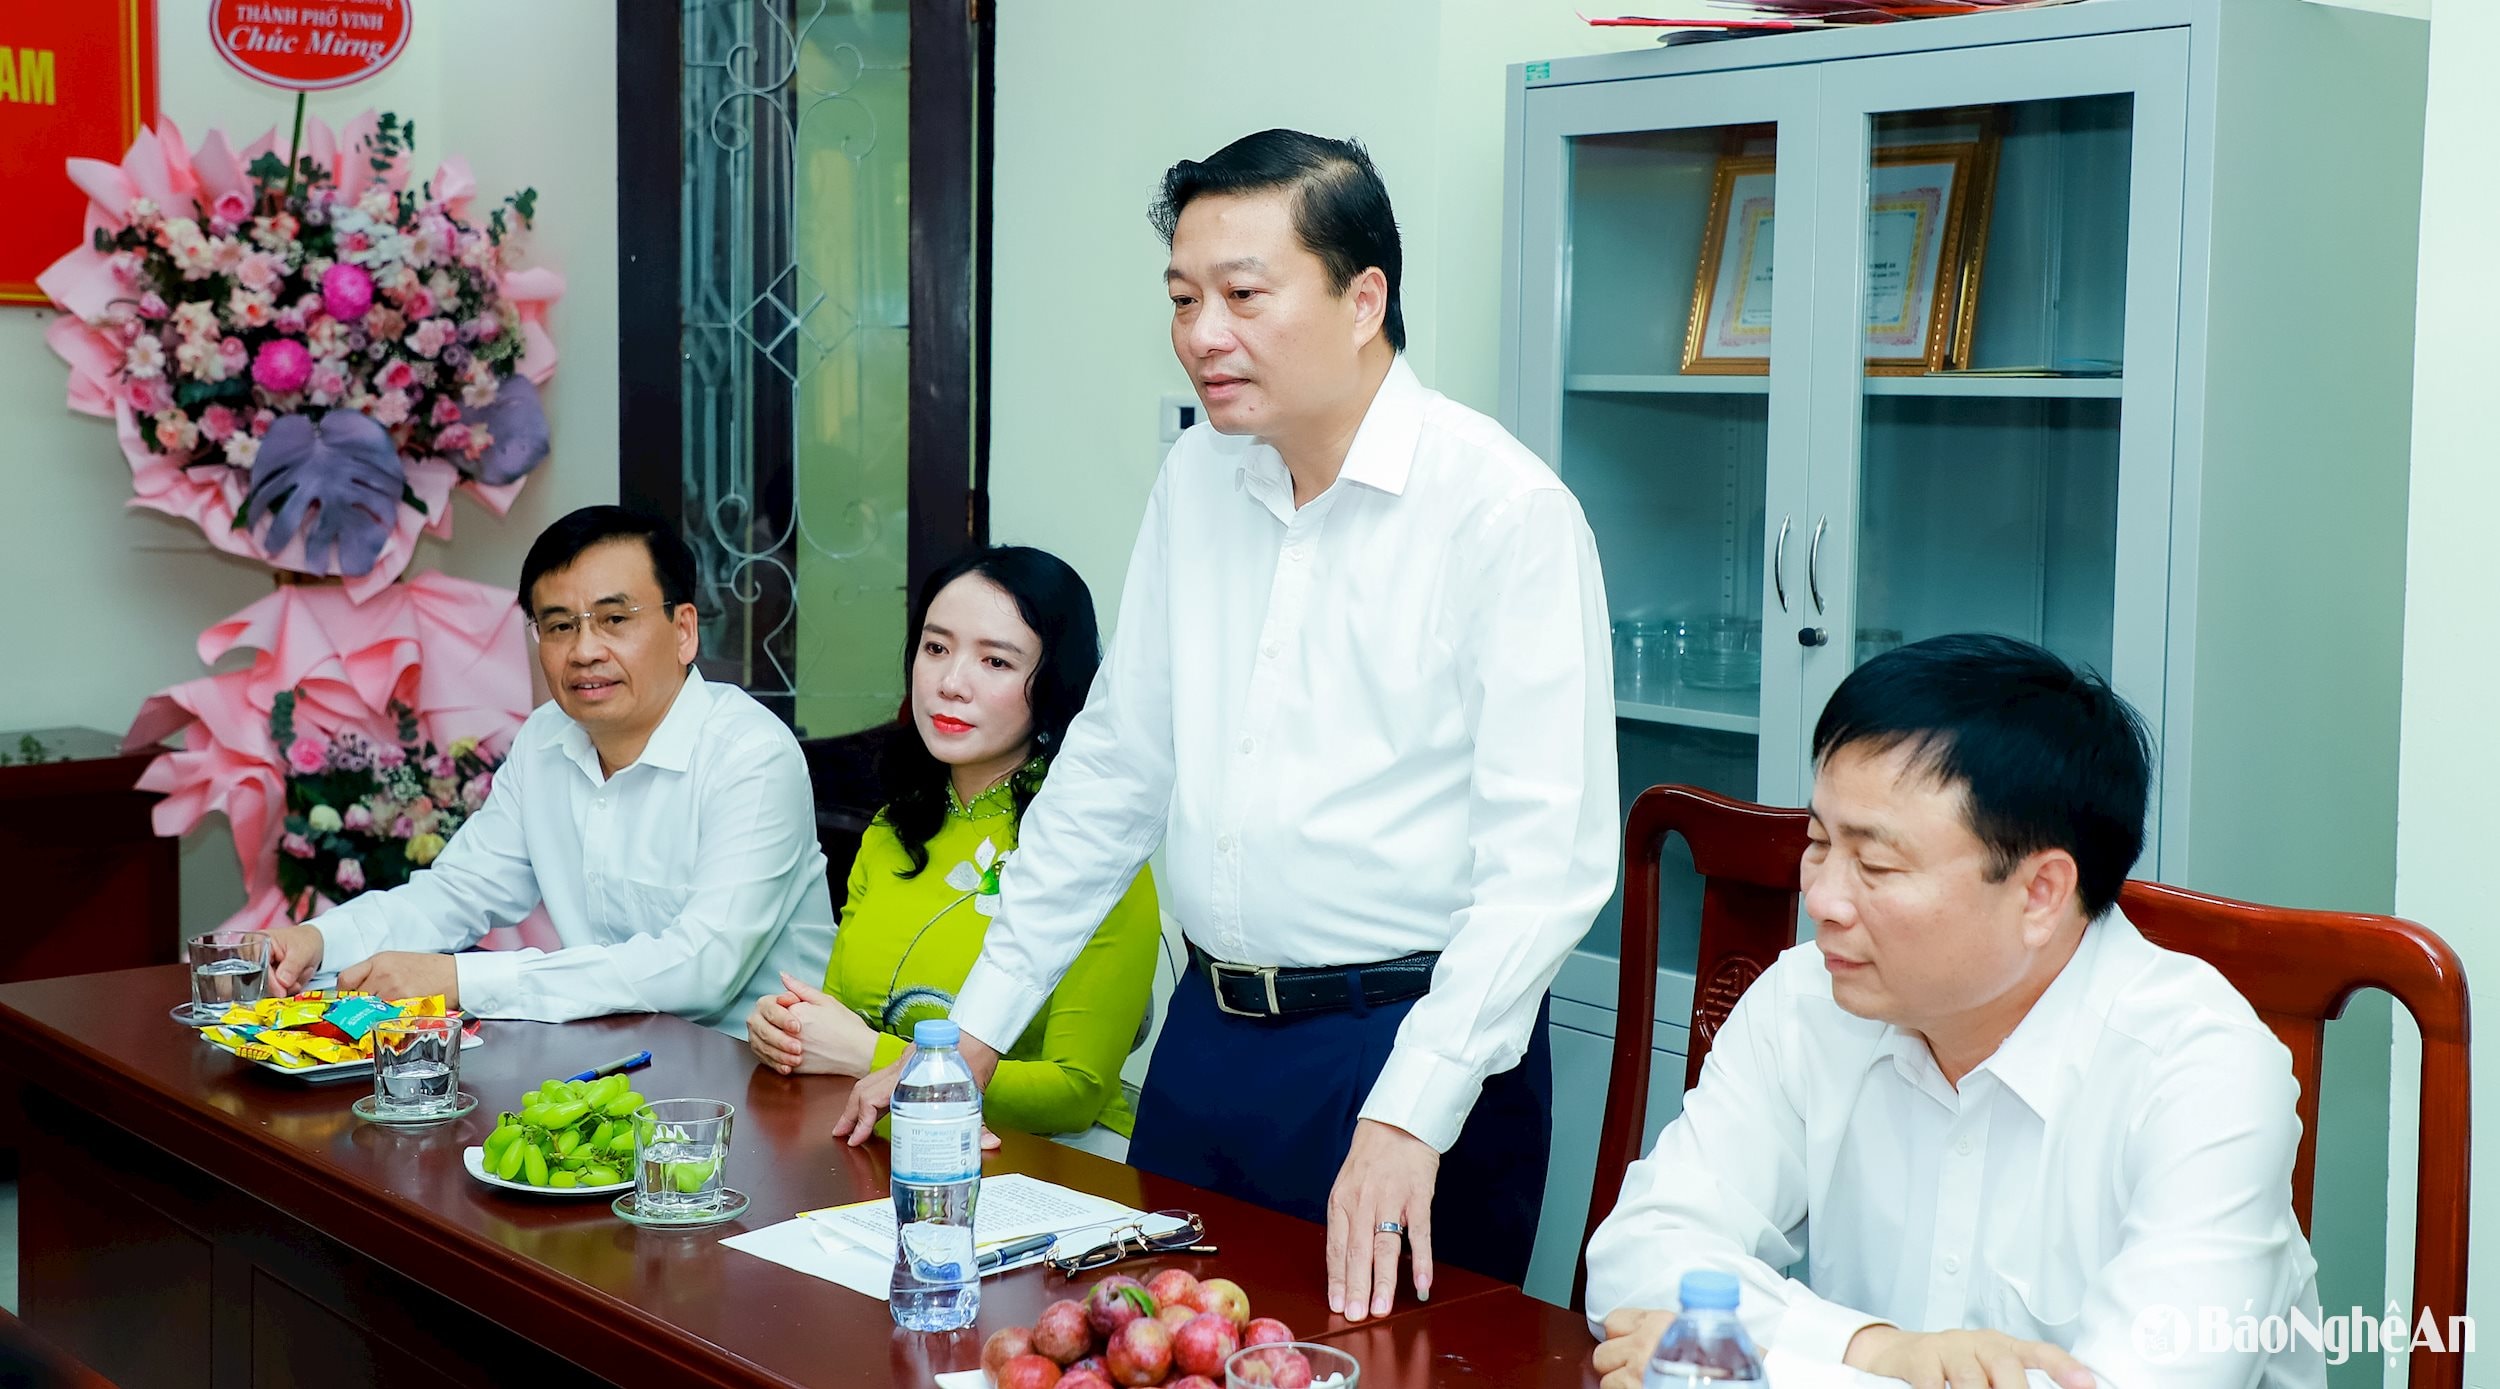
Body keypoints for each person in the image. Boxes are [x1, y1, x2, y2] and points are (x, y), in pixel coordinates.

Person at [832, 128, 1618, 1322]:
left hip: (1406, 1051)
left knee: (1380, 1366)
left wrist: (1412, 1112)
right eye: (1182, 297)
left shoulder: (1502, 513)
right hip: (1207, 1042)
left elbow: (1544, 869)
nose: (1203, 333)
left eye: (1243, 295)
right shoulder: (1201, 476)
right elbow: (1113, 770)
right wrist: (970, 1041)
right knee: (1152, 1346)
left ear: (1364, 299)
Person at [1584, 634, 2323, 1389]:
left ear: (2040, 893)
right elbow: (1638, 1257)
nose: (1822, 899)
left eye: (1876, 864)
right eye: (1817, 842)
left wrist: (1770, 1369)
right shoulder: (1806, 1000)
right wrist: (1874, 1349)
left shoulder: (2203, 1073)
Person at [265, 506, 836, 1035]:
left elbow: (702, 969)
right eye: (560, 626)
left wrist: (461, 980)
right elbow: (457, 892)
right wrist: (318, 940)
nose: (585, 651)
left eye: (615, 619)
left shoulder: (751, 755)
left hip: (758, 1074)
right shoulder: (546, 739)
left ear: (683, 630)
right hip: (608, 1058)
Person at [744, 547, 1158, 1154]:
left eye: (995, 661)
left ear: (1055, 682)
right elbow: (841, 1019)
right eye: (936, 648)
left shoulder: (1093, 852)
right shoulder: (893, 829)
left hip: (1048, 1164)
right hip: (882, 1143)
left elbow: (1077, 1093)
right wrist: (788, 1028)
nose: (950, 684)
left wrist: (868, 1054)